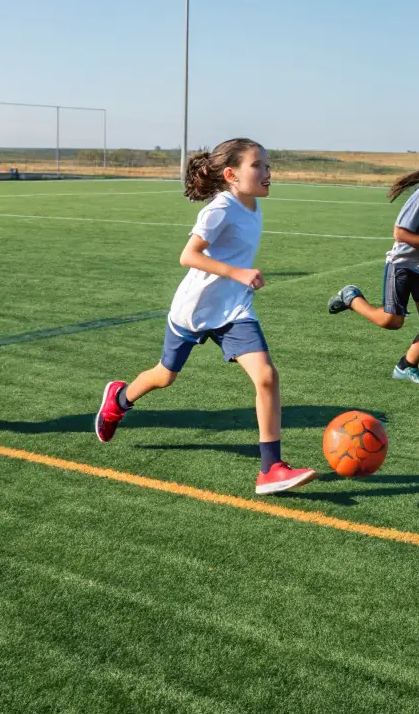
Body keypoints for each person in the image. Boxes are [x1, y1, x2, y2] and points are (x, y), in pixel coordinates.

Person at [94, 138, 316, 496]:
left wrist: (238, 283)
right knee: (164, 376)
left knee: (266, 376)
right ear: (231, 174)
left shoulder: (253, 205)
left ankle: (271, 468)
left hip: (234, 311)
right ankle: (119, 400)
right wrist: (238, 273)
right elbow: (189, 255)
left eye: (268, 165)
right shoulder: (221, 208)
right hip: (194, 309)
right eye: (257, 165)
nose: (267, 172)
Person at [327, 148, 419, 385]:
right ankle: (351, 297)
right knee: (391, 322)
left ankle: (406, 366)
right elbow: (400, 233)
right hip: (403, 266)